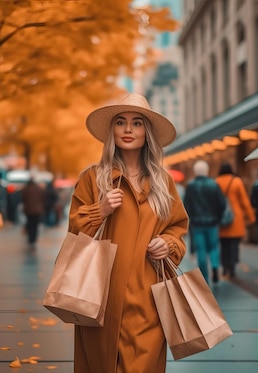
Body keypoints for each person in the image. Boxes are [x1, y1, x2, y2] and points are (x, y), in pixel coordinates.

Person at [70, 93, 188, 372]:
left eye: (137, 123)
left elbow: (177, 228)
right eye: (120, 122)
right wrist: (100, 210)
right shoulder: (92, 177)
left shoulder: (163, 182)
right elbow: (74, 233)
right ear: (111, 130)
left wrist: (167, 244)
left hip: (148, 299)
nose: (127, 129)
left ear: (147, 133)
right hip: (100, 297)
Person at [183, 159, 225, 283]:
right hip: (213, 223)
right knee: (213, 247)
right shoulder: (214, 184)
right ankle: (215, 267)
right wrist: (218, 216)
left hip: (197, 224)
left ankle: (205, 278)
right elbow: (221, 204)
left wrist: (190, 218)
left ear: (195, 172)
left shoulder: (190, 186)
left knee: (201, 250)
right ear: (207, 171)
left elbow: (186, 205)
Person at [216, 162, 255, 278]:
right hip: (235, 219)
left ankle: (224, 266)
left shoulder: (216, 182)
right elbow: (244, 201)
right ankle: (232, 268)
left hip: (221, 218)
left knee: (224, 245)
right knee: (234, 244)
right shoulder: (237, 181)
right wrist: (251, 216)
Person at [21, 177, 46, 248]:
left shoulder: (26, 189)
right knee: (35, 225)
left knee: (30, 224)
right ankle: (34, 240)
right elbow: (43, 198)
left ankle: (30, 240)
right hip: (38, 210)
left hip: (29, 210)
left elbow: (23, 198)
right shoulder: (39, 189)